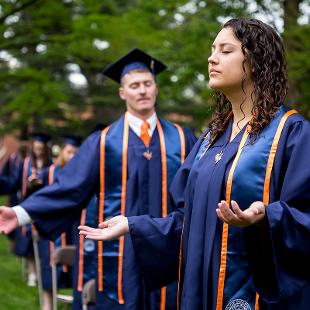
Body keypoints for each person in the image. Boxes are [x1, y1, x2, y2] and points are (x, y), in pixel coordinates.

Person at [78, 18, 310, 310]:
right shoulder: (210, 139)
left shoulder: (291, 134)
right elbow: (187, 221)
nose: (212, 58)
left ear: (255, 63)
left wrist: (266, 217)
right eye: (213, 50)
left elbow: (305, 219)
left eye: (225, 51)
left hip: (255, 296)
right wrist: (133, 225)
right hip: (199, 292)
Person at [0, 48, 197, 309]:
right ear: (122, 92)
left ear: (156, 88)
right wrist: (22, 212)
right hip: (117, 253)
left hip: (167, 249)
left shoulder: (183, 139)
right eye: (134, 85)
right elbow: (68, 187)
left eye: (147, 84)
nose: (142, 91)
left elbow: (197, 194)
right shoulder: (104, 143)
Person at [36, 135, 81, 310]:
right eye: (69, 152)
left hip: (71, 228)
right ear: (62, 151)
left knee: (71, 269)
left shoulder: (80, 174)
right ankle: (47, 306)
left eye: (75, 153)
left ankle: (70, 302)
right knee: (49, 270)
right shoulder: (48, 172)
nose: (71, 156)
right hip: (50, 229)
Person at [14, 133, 52, 287]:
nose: (38, 151)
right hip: (29, 204)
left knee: (41, 240)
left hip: (45, 208)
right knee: (28, 240)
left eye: (41, 148)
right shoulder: (26, 164)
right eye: (36, 148)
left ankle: (42, 271)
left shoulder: (51, 165)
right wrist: (29, 185)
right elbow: (16, 183)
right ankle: (32, 273)